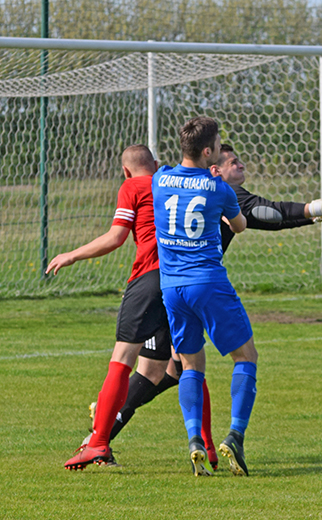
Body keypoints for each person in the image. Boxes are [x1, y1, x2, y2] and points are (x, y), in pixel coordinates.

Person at [103, 143, 322, 471]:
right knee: (175, 366)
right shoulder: (220, 191)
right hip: (176, 285)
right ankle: (105, 430)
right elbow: (269, 213)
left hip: (169, 287)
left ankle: (113, 427)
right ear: (213, 165)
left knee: (168, 369)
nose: (240, 164)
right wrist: (319, 209)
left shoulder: (172, 180)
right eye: (231, 161)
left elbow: (265, 211)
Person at [46, 144, 216, 471]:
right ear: (156, 164)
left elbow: (116, 237)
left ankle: (97, 443)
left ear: (125, 171)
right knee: (191, 364)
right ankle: (207, 445)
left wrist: (72, 255)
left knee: (122, 359)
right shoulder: (170, 182)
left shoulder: (132, 186)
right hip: (185, 280)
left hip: (150, 279)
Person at [151, 116, 256, 477]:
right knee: (245, 356)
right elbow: (239, 225)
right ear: (209, 151)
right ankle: (235, 436)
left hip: (172, 288)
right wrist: (221, 190)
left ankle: (195, 440)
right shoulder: (219, 188)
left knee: (191, 365)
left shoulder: (159, 178)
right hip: (208, 282)